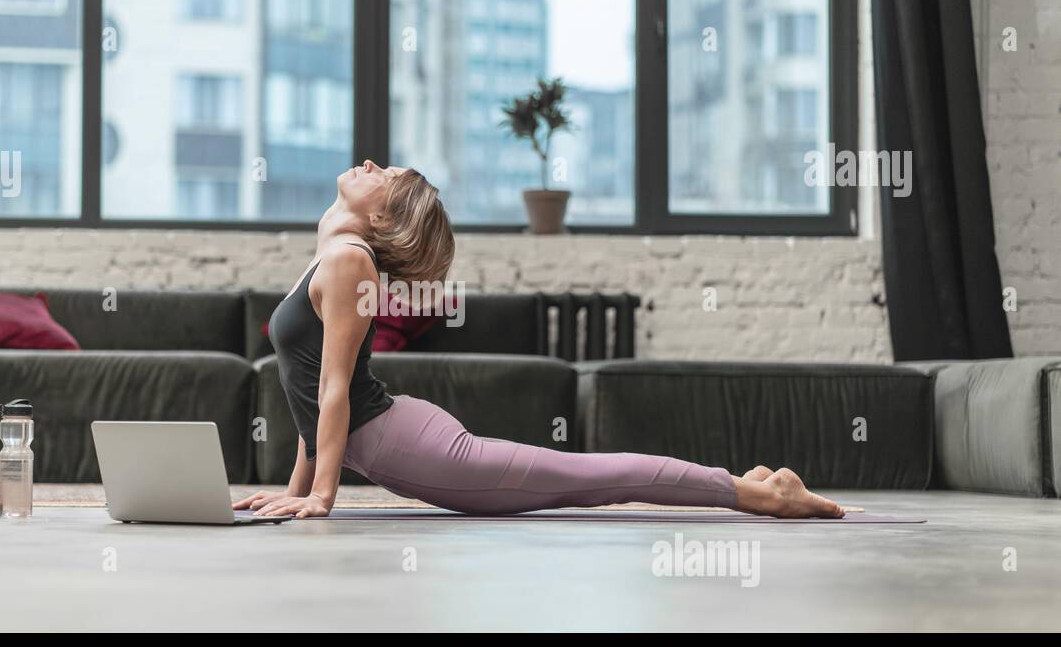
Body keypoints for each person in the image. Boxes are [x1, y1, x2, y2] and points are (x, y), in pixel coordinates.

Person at [234, 161, 845, 520]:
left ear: (381, 218)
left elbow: (335, 388)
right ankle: (752, 483)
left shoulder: (350, 261)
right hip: (398, 433)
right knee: (590, 476)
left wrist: (321, 497)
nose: (370, 164)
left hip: (420, 451)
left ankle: (765, 495)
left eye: (384, 175)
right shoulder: (337, 253)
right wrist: (293, 496)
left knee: (594, 477)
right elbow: (314, 392)